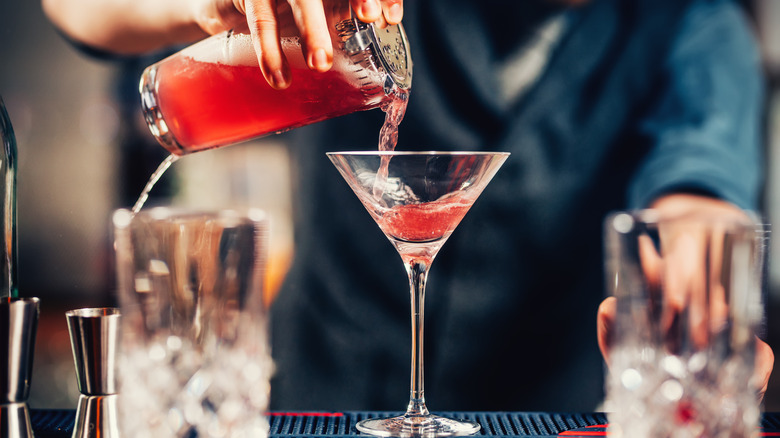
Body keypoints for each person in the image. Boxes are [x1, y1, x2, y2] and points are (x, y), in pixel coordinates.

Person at [43, 0, 773, 411]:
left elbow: (699, 193)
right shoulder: (370, 6)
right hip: (320, 400)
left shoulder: (695, 27)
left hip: (542, 413)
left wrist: (690, 277)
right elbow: (79, 12)